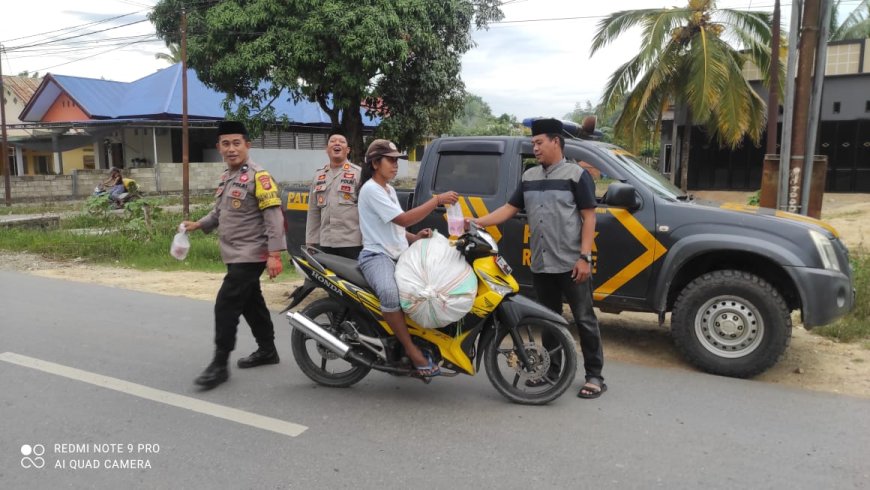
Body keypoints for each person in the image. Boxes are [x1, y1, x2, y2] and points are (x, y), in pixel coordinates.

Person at [470, 118, 606, 399]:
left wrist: (584, 258)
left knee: (584, 319)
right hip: (542, 264)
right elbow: (509, 209)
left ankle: (594, 375)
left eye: (539, 142)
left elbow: (589, 218)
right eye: (533, 144)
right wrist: (477, 222)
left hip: (571, 263)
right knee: (550, 320)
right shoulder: (529, 176)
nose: (535, 148)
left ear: (556, 141)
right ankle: (551, 372)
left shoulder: (576, 176)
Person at [182, 121, 286, 390]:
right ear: (218, 148)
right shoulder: (227, 177)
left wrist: (274, 254)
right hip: (233, 253)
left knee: (226, 304)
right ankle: (268, 350)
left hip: (251, 253)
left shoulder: (258, 176)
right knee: (252, 302)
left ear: (247, 145)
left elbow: (273, 217)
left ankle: (219, 364)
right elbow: (219, 213)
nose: (231, 149)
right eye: (225, 144)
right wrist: (199, 224)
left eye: (236, 143)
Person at [357, 139, 458, 377]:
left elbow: (394, 228)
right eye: (390, 160)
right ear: (375, 163)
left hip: (397, 254)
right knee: (391, 295)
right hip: (376, 256)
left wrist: (415, 237)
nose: (395, 165)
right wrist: (436, 200)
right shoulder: (371, 189)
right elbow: (402, 219)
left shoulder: (388, 189)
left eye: (397, 160)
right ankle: (411, 350)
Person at [305, 133, 363, 259]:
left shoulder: (358, 174)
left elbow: (366, 210)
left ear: (347, 150)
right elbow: (313, 211)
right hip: (326, 242)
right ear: (327, 149)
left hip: (353, 242)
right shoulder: (319, 176)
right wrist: (311, 242)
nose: (337, 143)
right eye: (333, 141)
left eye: (341, 141)